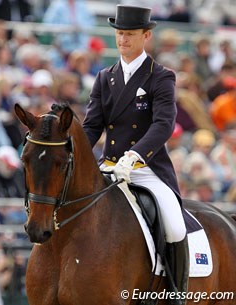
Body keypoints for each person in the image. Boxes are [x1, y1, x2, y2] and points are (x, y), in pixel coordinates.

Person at [83, 5, 188, 304]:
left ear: (146, 36)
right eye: (119, 34)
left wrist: (136, 154)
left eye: (129, 34)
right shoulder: (105, 77)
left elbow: (163, 124)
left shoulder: (161, 76)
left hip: (146, 167)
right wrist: (74, 152)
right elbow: (91, 126)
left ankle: (175, 292)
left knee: (174, 224)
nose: (123, 40)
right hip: (110, 166)